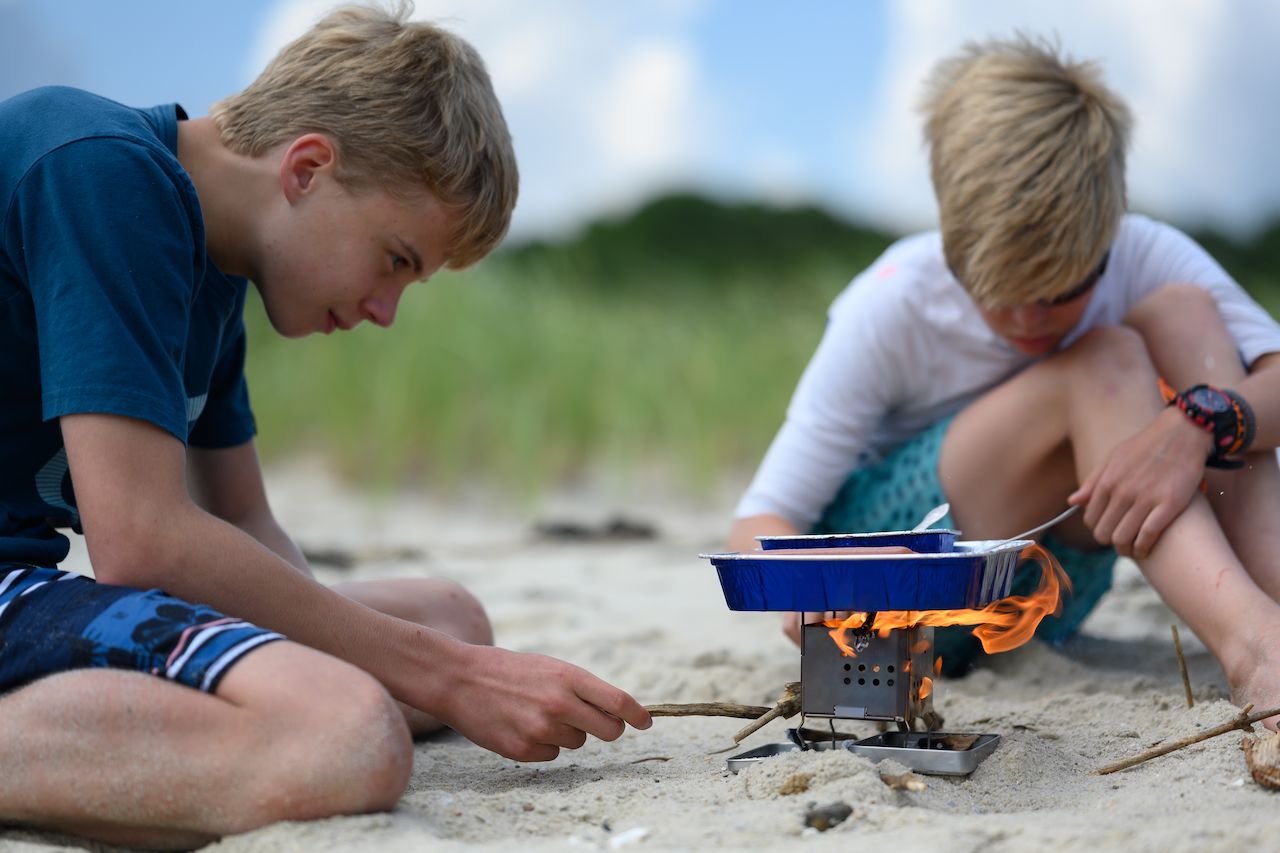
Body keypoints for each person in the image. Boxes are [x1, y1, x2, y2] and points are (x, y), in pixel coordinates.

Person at [0, 5, 650, 847]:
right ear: (306, 168)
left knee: (452, 616)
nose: (384, 311)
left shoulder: (212, 262)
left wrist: (433, 658)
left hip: (23, 586)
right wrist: (447, 679)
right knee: (346, 734)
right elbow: (142, 541)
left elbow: (243, 522)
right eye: (396, 260)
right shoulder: (100, 173)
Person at [728, 35, 1280, 724]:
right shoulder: (895, 300)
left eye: (1058, 291)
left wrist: (1198, 421)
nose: (1025, 319)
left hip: (1049, 588)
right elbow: (756, 522)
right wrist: (817, 587)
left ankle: (1271, 607)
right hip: (909, 576)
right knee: (1105, 358)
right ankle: (1258, 646)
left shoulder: (1144, 253)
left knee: (1186, 316)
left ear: (1106, 233)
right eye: (993, 291)